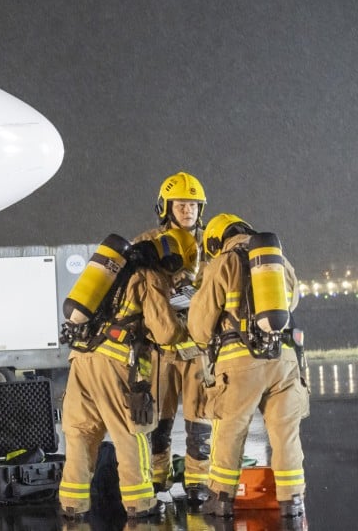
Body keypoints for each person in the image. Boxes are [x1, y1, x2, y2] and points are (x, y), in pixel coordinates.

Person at [58, 229, 198, 521]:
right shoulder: (150, 276)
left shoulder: (115, 272)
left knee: (81, 434)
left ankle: (73, 504)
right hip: (115, 363)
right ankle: (141, 504)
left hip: (82, 359)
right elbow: (166, 331)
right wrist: (186, 323)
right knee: (132, 434)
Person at [189, 214, 307, 520]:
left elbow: (200, 326)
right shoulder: (277, 259)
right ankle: (292, 501)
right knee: (285, 434)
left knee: (230, 430)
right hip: (284, 359)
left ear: (215, 241)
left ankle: (221, 499)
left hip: (241, 363)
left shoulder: (222, 262)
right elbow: (292, 300)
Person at [133, 171, 213, 509]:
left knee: (199, 418)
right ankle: (156, 477)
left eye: (193, 205)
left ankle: (197, 482)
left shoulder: (212, 241)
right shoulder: (148, 241)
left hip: (199, 346)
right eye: (180, 204)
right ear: (166, 207)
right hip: (160, 348)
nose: (187, 210)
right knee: (159, 418)